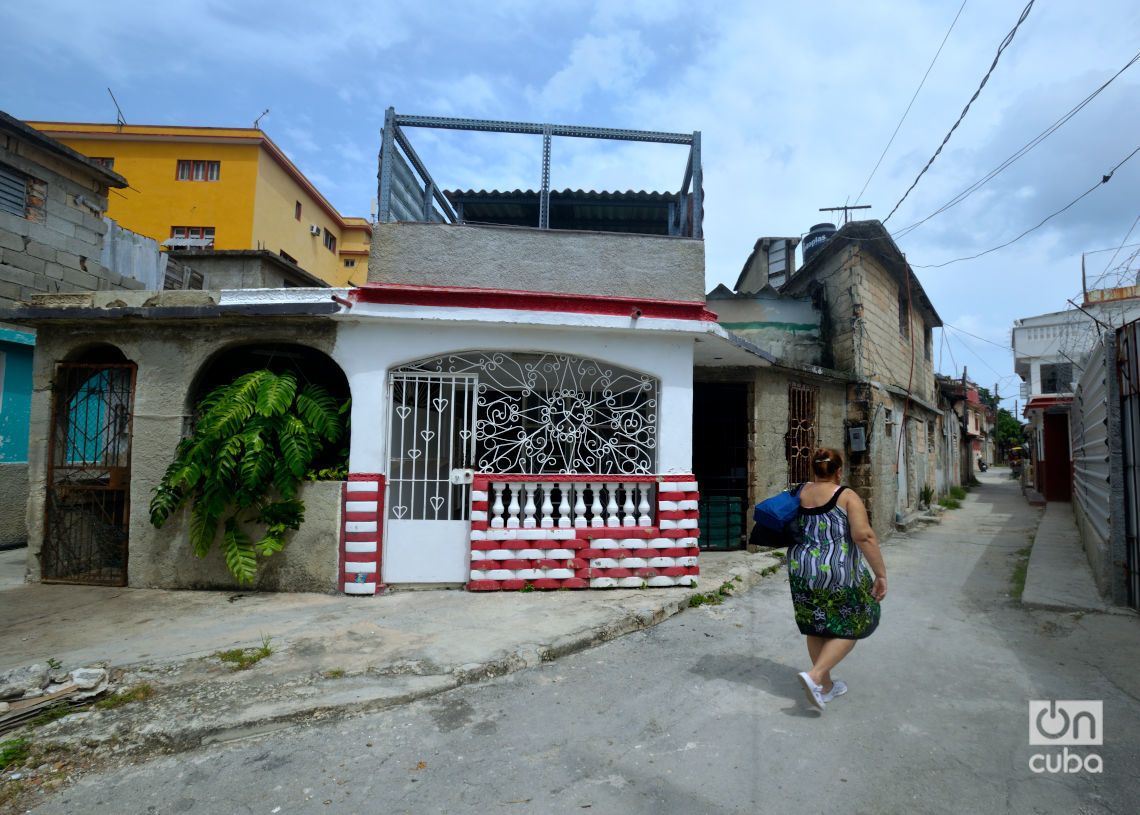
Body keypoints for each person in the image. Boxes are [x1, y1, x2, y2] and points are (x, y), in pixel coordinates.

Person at [788, 446, 887, 712]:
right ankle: (816, 675)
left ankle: (827, 688)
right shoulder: (846, 496)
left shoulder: (799, 491)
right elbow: (863, 536)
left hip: (801, 569)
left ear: (814, 469)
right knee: (855, 622)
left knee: (815, 623)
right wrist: (880, 574)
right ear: (839, 471)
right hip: (838, 572)